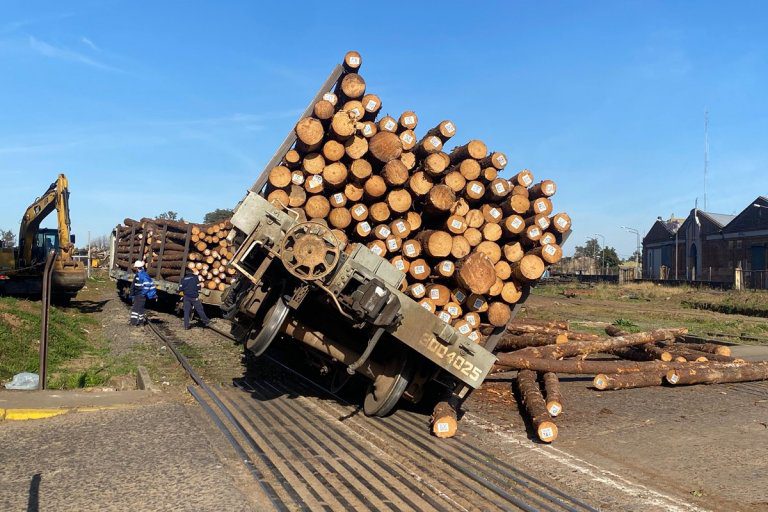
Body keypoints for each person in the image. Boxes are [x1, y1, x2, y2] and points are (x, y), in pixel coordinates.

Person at [130, 260, 157, 326]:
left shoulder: (141, 275)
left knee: (135, 308)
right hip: (140, 294)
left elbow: (147, 285)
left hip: (139, 294)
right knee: (141, 308)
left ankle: (133, 322)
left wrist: (142, 293)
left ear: (137, 268)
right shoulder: (143, 274)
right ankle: (141, 322)